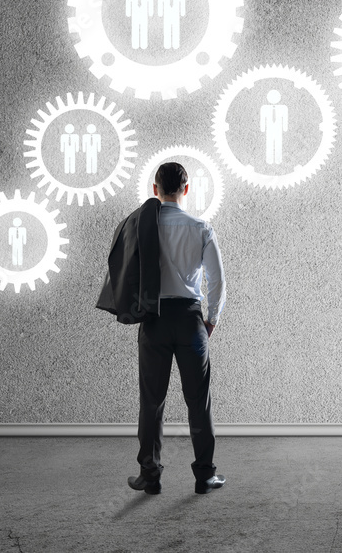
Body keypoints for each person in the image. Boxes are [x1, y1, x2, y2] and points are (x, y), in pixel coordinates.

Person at [97, 162, 226, 496]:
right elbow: (218, 284)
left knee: (151, 401)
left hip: (154, 320)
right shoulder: (201, 228)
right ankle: (205, 476)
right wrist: (209, 321)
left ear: (155, 189)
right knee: (199, 402)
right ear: (186, 189)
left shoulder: (141, 225)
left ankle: (150, 476)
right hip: (189, 319)